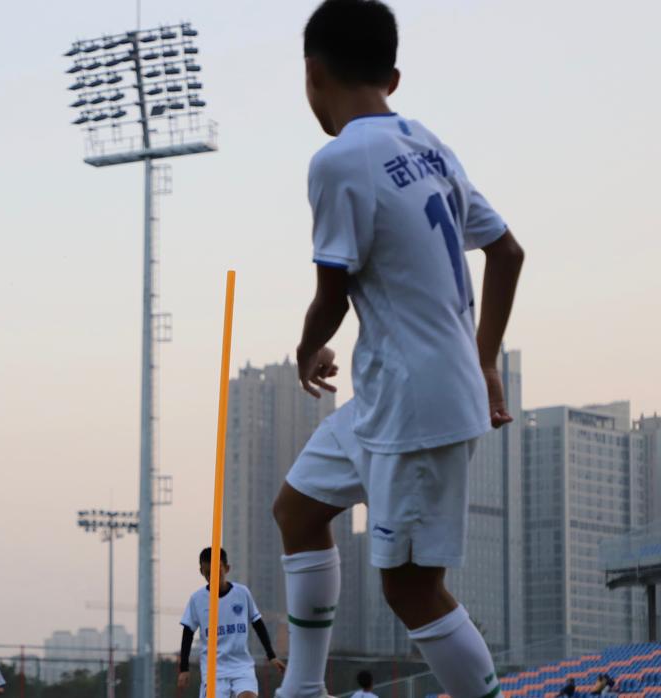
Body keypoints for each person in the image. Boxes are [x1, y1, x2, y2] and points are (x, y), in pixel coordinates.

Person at [269, 3, 526, 698]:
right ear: (394, 76)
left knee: (412, 589)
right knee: (298, 509)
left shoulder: (339, 159)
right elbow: (506, 253)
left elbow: (333, 292)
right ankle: (302, 688)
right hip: (388, 391)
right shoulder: (430, 147)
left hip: (415, 407)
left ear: (312, 74)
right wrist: (485, 360)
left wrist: (307, 348)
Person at [177, 548, 285, 698]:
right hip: (214, 673)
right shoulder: (197, 599)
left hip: (241, 668)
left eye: (217, 571)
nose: (212, 576)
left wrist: (271, 655)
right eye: (207, 572)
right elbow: (188, 633)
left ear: (227, 568)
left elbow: (257, 623)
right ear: (201, 571)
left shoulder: (242, 593)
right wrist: (184, 669)